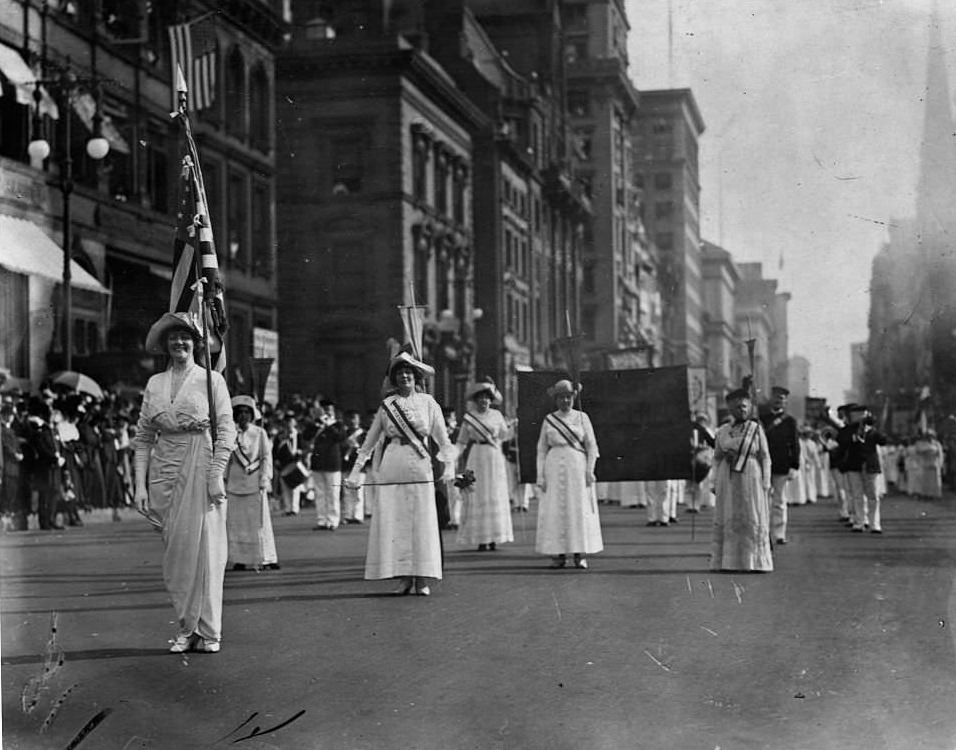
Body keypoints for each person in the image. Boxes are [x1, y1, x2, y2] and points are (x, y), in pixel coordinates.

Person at [133, 312, 236, 654]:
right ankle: (185, 626)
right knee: (176, 556)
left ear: (197, 343)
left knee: (206, 550)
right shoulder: (154, 384)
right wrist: (139, 486)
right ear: (164, 344)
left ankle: (208, 631)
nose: (179, 342)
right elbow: (143, 438)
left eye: (186, 337)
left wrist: (217, 472)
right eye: (173, 338)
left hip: (201, 461)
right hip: (165, 469)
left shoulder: (211, 381)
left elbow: (226, 429)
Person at [345, 347, 456, 596]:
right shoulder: (387, 406)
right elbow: (369, 443)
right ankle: (404, 578)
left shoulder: (429, 403)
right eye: (400, 374)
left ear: (416, 377)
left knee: (421, 522)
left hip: (420, 466)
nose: (404, 377)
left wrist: (449, 466)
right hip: (393, 465)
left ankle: (422, 579)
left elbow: (443, 440)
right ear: (393, 379)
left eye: (408, 373)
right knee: (397, 523)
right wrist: (355, 472)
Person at [534, 379, 602, 570]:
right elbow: (541, 449)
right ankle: (558, 554)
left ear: (573, 397)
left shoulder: (582, 418)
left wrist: (590, 470)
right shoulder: (549, 419)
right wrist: (540, 475)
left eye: (568, 397)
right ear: (556, 400)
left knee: (577, 508)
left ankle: (579, 554)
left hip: (577, 467)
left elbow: (592, 446)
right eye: (561, 397)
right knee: (556, 509)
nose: (565, 401)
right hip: (554, 466)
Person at [710, 388, 773, 573]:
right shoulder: (722, 431)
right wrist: (714, 481)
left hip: (751, 477)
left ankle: (754, 562)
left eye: (745, 406)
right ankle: (729, 562)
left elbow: (765, 457)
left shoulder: (756, 430)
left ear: (750, 407)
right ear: (730, 408)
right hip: (727, 478)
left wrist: (766, 481)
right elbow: (716, 457)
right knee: (730, 515)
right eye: (737, 407)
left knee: (751, 514)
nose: (742, 410)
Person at [455, 378, 514, 552]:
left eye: (487, 398)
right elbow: (462, 441)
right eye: (480, 397)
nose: (484, 401)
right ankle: (480, 538)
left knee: (494, 492)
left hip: (494, 455)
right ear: (475, 400)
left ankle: (494, 537)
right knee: (477, 492)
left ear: (491, 399)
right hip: (476, 456)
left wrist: (513, 426)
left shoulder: (497, 415)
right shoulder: (469, 418)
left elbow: (505, 435)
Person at [225, 395, 279, 571]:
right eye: (239, 412)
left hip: (255, 483)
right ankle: (239, 558)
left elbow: (266, 457)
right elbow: (225, 459)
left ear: (252, 414)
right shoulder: (229, 432)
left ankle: (266, 557)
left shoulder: (259, 432)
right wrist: (222, 480)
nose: (243, 415)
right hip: (234, 484)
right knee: (237, 524)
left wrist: (265, 478)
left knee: (260, 523)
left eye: (246, 412)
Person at [760, 385, 800, 545]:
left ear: (785, 402)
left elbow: (795, 445)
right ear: (771, 399)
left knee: (779, 501)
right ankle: (764, 532)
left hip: (782, 465)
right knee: (763, 500)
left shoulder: (790, 421)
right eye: (776, 397)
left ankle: (779, 533)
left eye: (781, 398)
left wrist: (794, 465)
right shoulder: (762, 419)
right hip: (763, 465)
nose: (778, 401)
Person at [306, 398, 347, 531]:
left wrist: (328, 424)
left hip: (332, 463)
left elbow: (340, 437)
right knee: (320, 493)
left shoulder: (338, 424)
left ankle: (333, 520)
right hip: (318, 462)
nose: (327, 411)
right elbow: (306, 436)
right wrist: (316, 423)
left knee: (333, 493)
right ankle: (322, 520)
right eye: (324, 409)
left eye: (329, 409)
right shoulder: (315, 423)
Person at [340, 410, 367, 524]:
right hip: (346, 465)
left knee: (358, 493)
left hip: (359, 466)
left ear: (358, 420)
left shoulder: (364, 434)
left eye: (354, 418)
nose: (352, 421)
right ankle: (347, 515)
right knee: (347, 493)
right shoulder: (343, 433)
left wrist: (357, 447)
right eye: (350, 418)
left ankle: (357, 515)